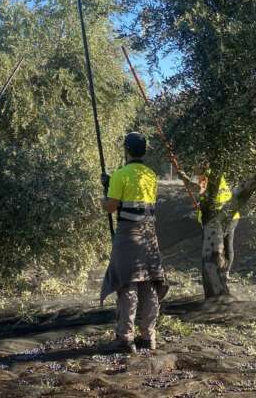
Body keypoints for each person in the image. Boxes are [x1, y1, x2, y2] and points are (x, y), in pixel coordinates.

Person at [99, 131, 168, 354]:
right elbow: (138, 203)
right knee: (148, 285)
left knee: (126, 284)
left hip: (128, 234)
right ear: (144, 151)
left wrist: (107, 190)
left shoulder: (121, 174)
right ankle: (149, 338)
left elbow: (111, 207)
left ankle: (125, 339)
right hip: (149, 235)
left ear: (126, 150)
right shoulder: (151, 175)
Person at [196, 168, 241, 278]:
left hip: (220, 217)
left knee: (216, 245)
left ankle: (216, 273)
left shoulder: (205, 176)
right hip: (232, 216)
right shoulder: (219, 174)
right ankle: (226, 272)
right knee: (227, 244)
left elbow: (201, 192)